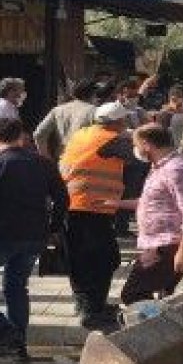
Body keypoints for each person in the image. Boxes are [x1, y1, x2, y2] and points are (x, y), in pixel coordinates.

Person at [0, 118, 67, 360]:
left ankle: (1, 330)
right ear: (23, 136)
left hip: (3, 234)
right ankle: (17, 345)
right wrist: (53, 227)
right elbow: (62, 198)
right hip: (35, 235)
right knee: (16, 287)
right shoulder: (43, 163)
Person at [59, 102, 134, 330]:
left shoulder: (83, 134)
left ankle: (89, 305)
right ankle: (92, 310)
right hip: (91, 206)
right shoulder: (112, 139)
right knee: (104, 259)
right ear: (118, 122)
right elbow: (139, 153)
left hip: (75, 204)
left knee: (83, 259)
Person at [113, 124, 183, 305]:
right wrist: (118, 204)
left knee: (133, 294)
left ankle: (153, 327)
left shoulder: (176, 169)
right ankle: (163, 328)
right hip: (159, 244)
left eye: (136, 145)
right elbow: (156, 203)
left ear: (146, 144)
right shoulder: (159, 167)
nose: (135, 150)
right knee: (171, 299)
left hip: (170, 245)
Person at [32, 80, 97, 162]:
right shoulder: (94, 111)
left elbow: (38, 134)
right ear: (93, 94)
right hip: (82, 160)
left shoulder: (58, 110)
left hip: (62, 159)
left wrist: (46, 157)